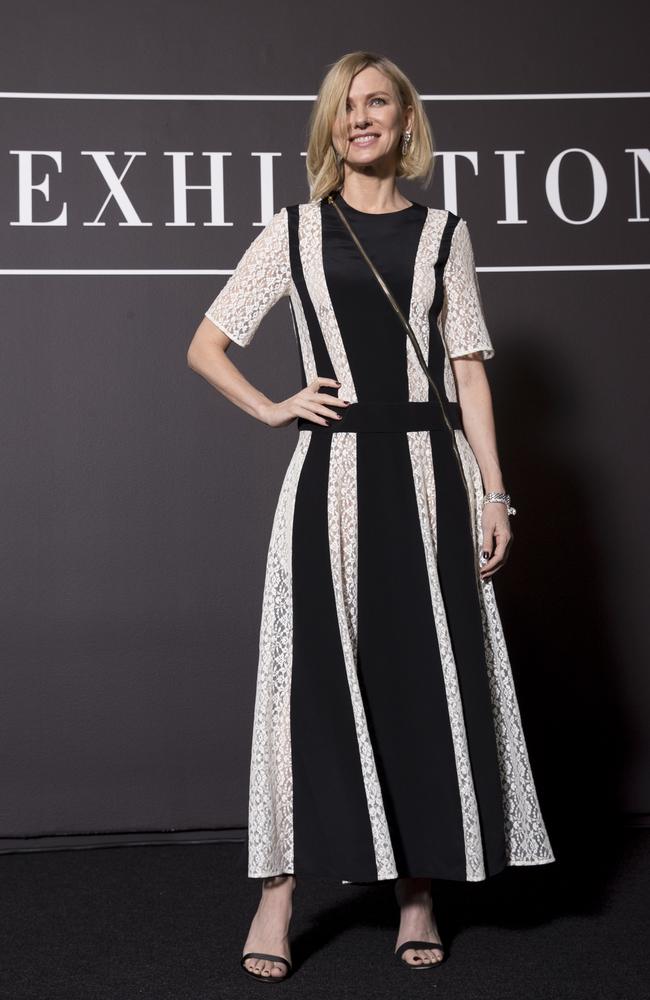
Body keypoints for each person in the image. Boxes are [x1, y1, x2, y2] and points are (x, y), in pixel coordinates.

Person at [187, 50, 555, 982]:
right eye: (346, 107)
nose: (362, 119)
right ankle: (276, 899)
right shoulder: (296, 231)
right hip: (332, 482)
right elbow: (207, 343)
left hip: (431, 476)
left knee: (418, 678)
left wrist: (495, 491)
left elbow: (467, 365)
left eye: (378, 103)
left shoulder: (442, 236)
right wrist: (275, 406)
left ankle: (418, 893)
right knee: (308, 680)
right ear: (330, 125)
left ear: (403, 121)